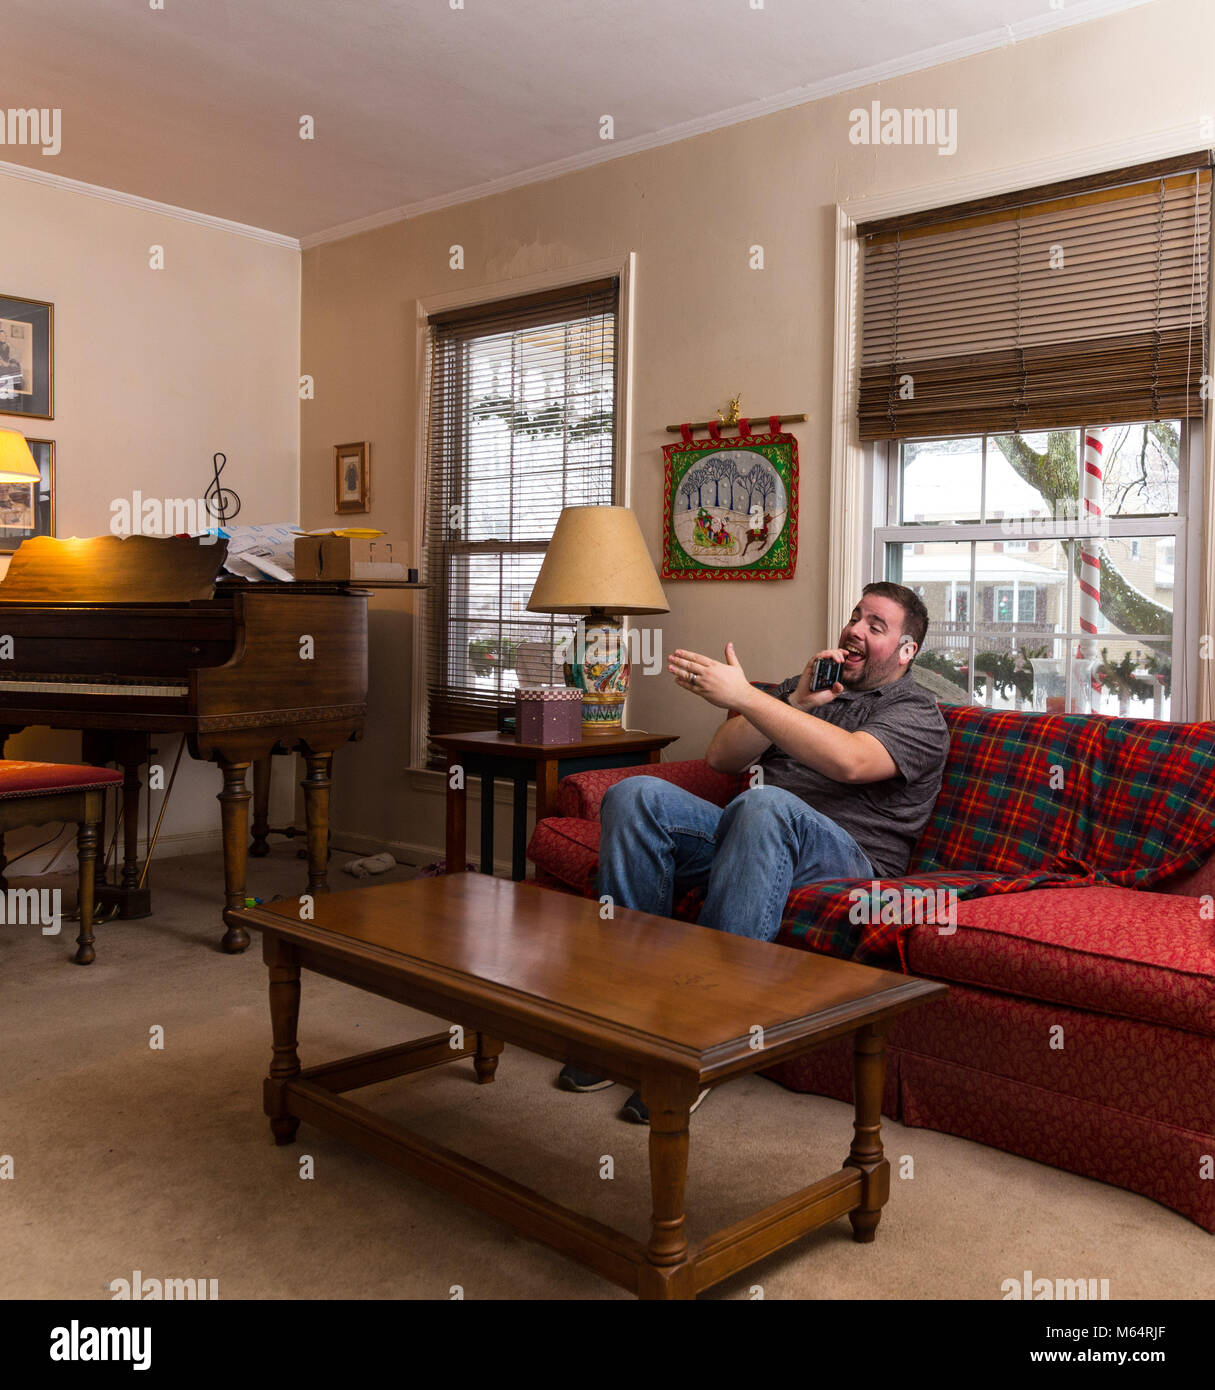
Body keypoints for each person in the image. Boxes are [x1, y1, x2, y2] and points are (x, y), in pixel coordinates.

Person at [558, 581, 950, 1123]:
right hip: (753, 836)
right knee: (635, 795)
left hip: (851, 862)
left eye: (875, 626)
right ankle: (629, 1012)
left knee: (765, 804)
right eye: (856, 616)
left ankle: (703, 1038)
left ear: (907, 651)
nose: (855, 630)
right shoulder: (812, 686)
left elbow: (853, 763)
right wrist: (791, 699)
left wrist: (746, 696)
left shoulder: (918, 712)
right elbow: (721, 758)